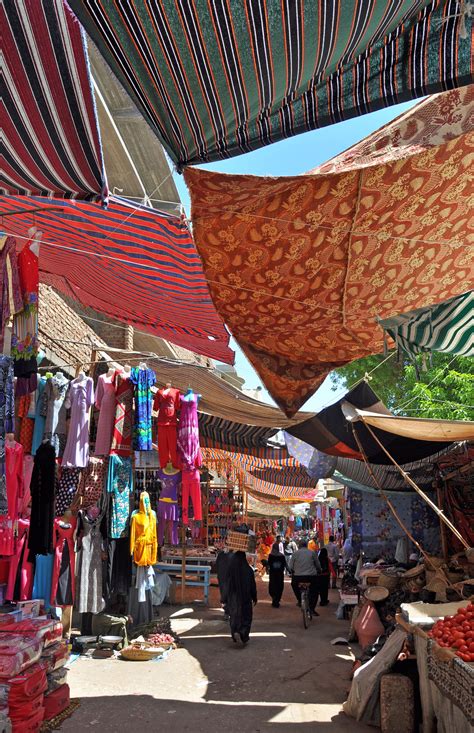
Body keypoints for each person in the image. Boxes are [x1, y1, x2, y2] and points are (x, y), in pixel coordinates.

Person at [222, 551, 257, 644]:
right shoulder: (249, 570)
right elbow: (252, 585)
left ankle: (235, 632)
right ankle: (243, 633)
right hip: (246, 597)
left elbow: (226, 585)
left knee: (234, 616)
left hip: (233, 598)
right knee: (246, 616)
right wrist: (255, 597)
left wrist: (224, 598)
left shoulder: (230, 570)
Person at [288, 539, 321, 616]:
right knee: (314, 591)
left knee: (294, 585)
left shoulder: (295, 554)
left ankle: (300, 600)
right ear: (306, 545)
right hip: (311, 577)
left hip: (298, 577)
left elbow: (290, 567)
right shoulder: (312, 553)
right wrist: (319, 571)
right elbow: (318, 565)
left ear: (299, 545)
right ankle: (312, 609)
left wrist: (293, 571)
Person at [267, 542, 286, 608]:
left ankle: (274, 599)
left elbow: (269, 564)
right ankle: (277, 600)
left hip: (273, 574)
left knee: (272, 586)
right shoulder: (282, 556)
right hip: (280, 574)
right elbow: (284, 564)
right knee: (279, 586)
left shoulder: (271, 555)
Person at [216, 549, 233, 618]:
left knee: (225, 593)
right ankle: (228, 611)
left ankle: (227, 611)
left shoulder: (221, 554)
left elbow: (217, 565)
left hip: (223, 577)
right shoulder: (237, 555)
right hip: (227, 577)